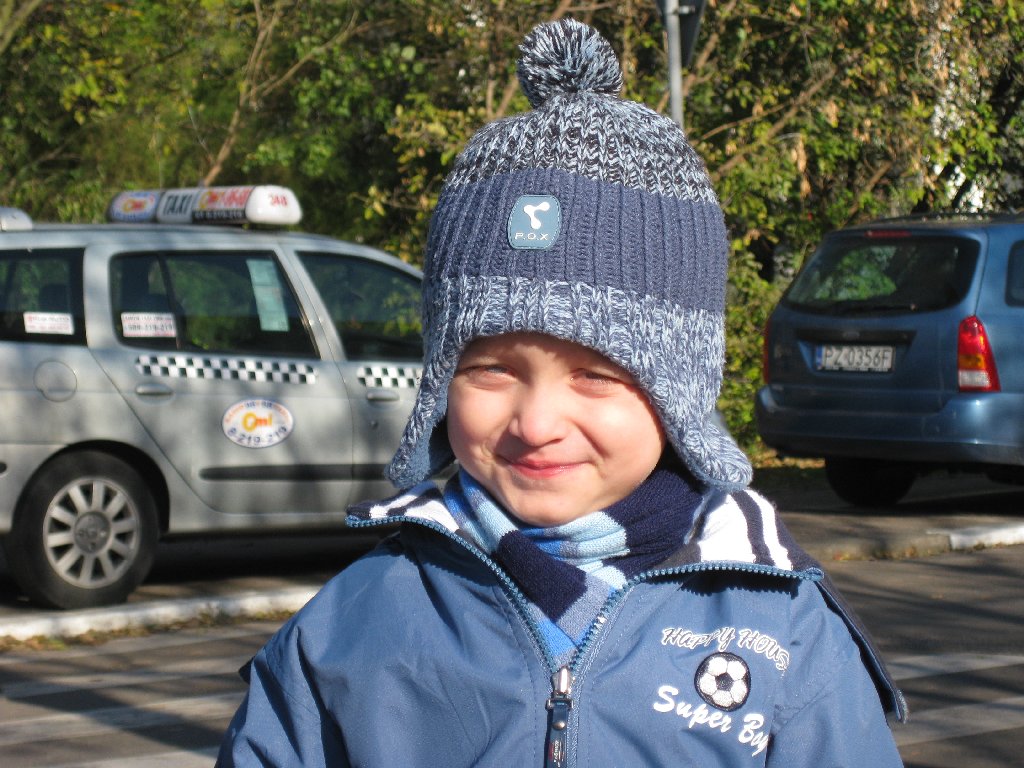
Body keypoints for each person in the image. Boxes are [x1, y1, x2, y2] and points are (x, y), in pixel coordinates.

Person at [217, 18, 906, 767]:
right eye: (491, 370)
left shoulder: (783, 626)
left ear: (680, 392)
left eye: (597, 376)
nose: (537, 422)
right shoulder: (358, 619)